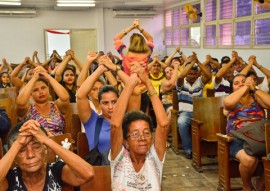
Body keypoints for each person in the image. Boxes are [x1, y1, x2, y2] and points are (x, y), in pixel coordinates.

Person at [110, 62, 169, 191]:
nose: (142, 138)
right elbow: (115, 124)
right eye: (135, 134)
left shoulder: (154, 157)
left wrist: (148, 82)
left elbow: (163, 124)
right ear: (125, 141)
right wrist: (130, 84)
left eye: (147, 133)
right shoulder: (119, 157)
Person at [0, 119, 94, 190]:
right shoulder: (10, 177)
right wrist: (17, 144)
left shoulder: (55, 170)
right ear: (15, 157)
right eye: (22, 150)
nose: (30, 155)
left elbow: (88, 173)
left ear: (45, 150)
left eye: (36, 147)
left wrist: (46, 140)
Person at [224, 74, 270, 191]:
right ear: (232, 88)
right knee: (250, 159)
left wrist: (254, 89)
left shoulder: (257, 98)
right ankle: (246, 186)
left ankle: (260, 181)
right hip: (237, 139)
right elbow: (228, 103)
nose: (241, 84)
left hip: (260, 138)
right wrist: (244, 87)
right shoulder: (231, 101)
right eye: (236, 83)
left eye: (243, 81)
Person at [76, 57, 119, 156]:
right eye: (105, 103)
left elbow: (135, 90)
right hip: (101, 168)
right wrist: (100, 69)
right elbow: (80, 95)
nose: (110, 107)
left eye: (114, 102)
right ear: (100, 104)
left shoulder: (125, 119)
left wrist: (114, 67)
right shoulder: (93, 120)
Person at [16, 66, 70, 136]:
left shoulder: (56, 106)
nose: (40, 92)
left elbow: (65, 98)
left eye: (43, 88)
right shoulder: (28, 109)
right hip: (35, 144)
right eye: (35, 90)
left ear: (48, 90)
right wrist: (34, 78)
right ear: (31, 95)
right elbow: (20, 102)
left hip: (57, 143)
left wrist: (48, 76)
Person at [176, 53, 211, 159]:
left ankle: (208, 149)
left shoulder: (199, 82)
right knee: (181, 123)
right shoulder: (181, 83)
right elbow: (181, 75)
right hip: (185, 113)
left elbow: (209, 76)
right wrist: (191, 63)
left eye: (194, 74)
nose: (192, 76)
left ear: (197, 75)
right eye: (190, 73)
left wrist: (198, 62)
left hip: (199, 112)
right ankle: (188, 149)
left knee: (213, 121)